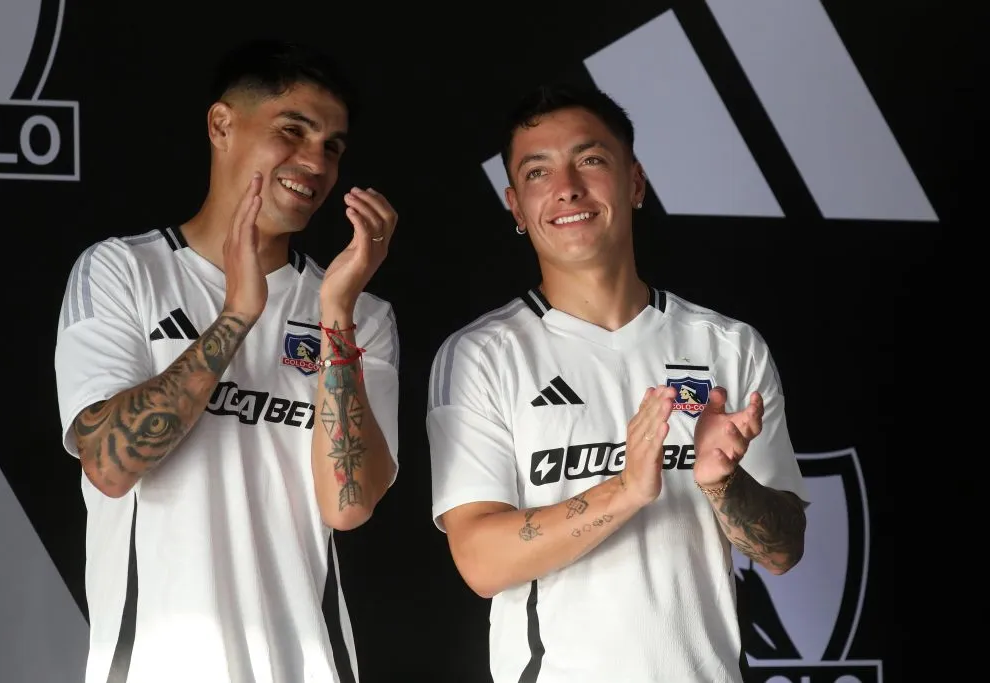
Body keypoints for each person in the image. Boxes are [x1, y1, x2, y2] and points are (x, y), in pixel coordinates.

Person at [426, 84, 808, 683]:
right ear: (516, 207)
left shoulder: (728, 346)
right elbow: (481, 561)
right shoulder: (483, 355)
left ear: (635, 182)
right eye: (537, 172)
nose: (567, 187)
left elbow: (782, 551)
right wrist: (625, 490)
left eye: (591, 159)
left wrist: (721, 482)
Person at [54, 39, 400, 683]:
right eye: (292, 131)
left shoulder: (359, 311)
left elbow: (348, 504)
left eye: (332, 146)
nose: (314, 162)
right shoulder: (123, 270)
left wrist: (335, 315)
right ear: (221, 125)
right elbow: (109, 464)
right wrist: (237, 314)